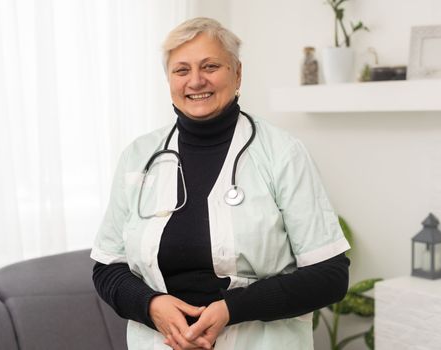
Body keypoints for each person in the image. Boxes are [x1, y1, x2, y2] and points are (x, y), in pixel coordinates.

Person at [91, 17, 350, 350]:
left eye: (210, 66)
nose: (196, 81)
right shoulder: (139, 156)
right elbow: (107, 267)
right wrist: (151, 305)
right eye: (181, 70)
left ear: (237, 73)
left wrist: (233, 308)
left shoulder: (282, 153)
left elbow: (330, 276)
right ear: (169, 79)